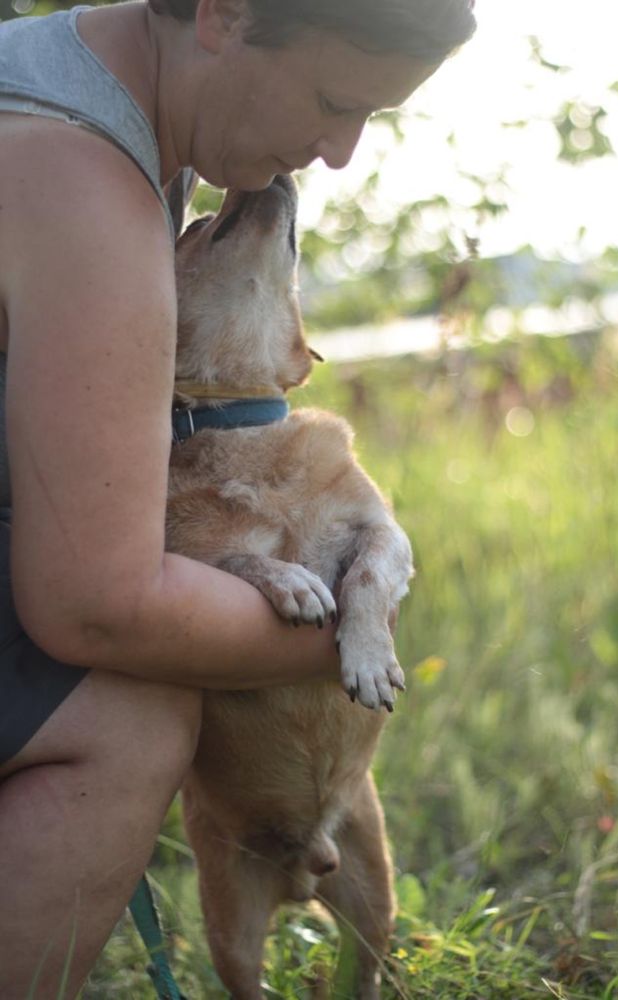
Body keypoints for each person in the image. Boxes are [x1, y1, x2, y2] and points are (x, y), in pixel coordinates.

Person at [0, 0, 476, 994]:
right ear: (220, 13)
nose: (339, 154)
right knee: (136, 699)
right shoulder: (81, 177)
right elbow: (94, 602)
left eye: (369, 121)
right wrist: (356, 605)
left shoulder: (104, 101)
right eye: (334, 101)